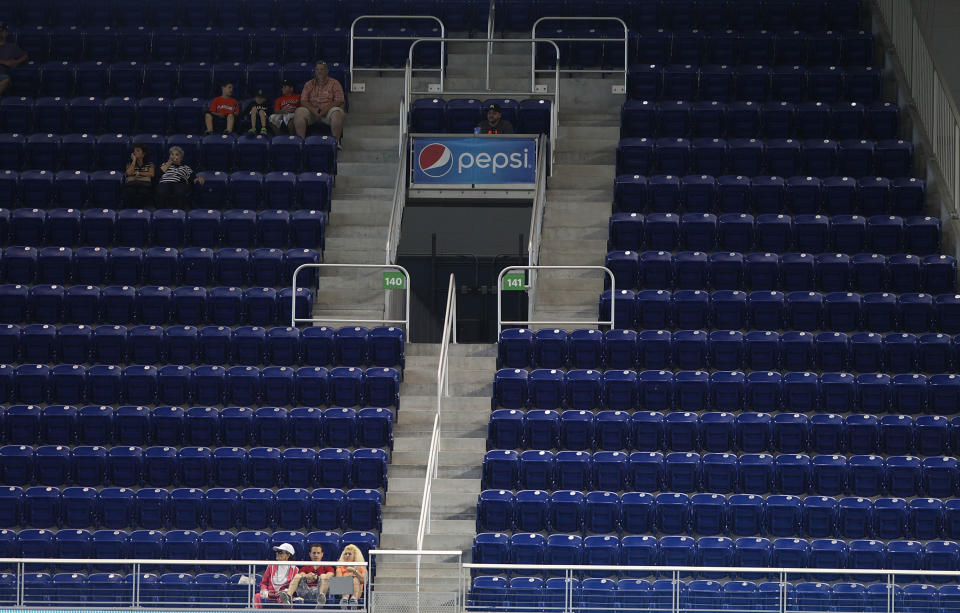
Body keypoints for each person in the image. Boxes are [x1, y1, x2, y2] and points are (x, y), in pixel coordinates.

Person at [293, 61, 345, 146]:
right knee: (299, 112)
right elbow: (303, 101)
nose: (319, 71)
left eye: (322, 69)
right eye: (317, 69)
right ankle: (301, 142)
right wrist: (313, 110)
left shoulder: (335, 83)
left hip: (329, 112)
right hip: (312, 111)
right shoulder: (309, 84)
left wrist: (326, 109)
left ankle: (336, 143)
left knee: (337, 113)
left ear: (327, 71)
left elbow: (339, 100)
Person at [0, 23, 28, 97]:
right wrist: (5, 62)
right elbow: (6, 63)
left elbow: (25, 56)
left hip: (2, 76)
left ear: (5, 33)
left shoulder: (11, 47)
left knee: (6, 80)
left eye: (1, 30)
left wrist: (16, 62)